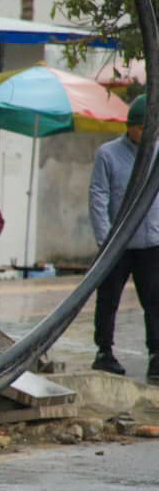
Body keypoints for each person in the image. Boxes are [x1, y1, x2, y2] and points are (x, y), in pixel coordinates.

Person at [90, 94, 159, 381]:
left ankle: (156, 355)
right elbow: (98, 195)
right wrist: (105, 240)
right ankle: (104, 351)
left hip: (151, 242)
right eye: (140, 128)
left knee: (155, 301)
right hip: (116, 243)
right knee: (108, 299)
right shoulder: (108, 154)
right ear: (129, 126)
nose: (145, 134)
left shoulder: (157, 153)